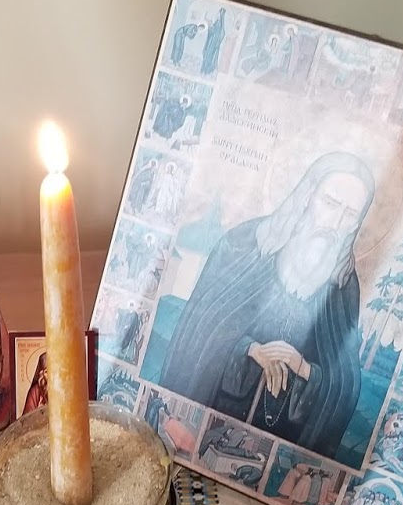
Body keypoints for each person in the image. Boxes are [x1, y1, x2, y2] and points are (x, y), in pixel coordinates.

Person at [159, 153, 373, 460]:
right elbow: (200, 325)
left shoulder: (344, 286)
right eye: (330, 203)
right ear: (307, 196)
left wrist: (303, 367)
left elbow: (345, 382)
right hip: (217, 408)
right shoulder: (245, 244)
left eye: (351, 214)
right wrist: (249, 349)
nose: (336, 224)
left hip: (280, 435)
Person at [200, 7, 227, 74]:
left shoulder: (219, 24)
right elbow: (213, 31)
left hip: (213, 43)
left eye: (218, 14)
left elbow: (217, 32)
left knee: (209, 56)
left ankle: (206, 70)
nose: (217, 15)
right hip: (211, 42)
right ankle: (204, 69)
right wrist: (210, 27)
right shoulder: (217, 22)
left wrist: (210, 27)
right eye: (218, 14)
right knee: (207, 55)